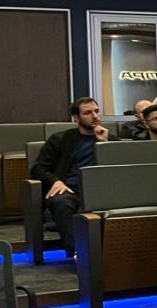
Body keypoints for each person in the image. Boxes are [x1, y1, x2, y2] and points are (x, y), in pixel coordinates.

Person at [31, 97, 112, 257]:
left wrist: (105, 144)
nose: (95, 116)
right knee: (61, 202)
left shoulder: (110, 139)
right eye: (88, 113)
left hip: (102, 191)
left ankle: (109, 254)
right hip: (70, 189)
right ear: (76, 117)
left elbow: (119, 169)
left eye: (97, 111)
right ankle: (79, 253)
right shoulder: (60, 139)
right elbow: (38, 168)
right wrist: (56, 181)